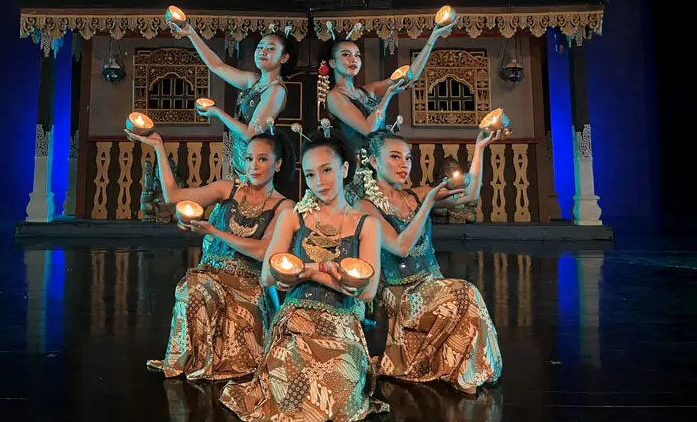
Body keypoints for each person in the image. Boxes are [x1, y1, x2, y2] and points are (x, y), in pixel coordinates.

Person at [219, 122, 389, 421]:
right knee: (293, 388)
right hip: (296, 319)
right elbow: (268, 276)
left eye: (326, 170)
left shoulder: (367, 224)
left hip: (342, 323)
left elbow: (369, 290)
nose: (319, 182)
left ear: (345, 169)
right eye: (310, 175)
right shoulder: (293, 217)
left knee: (338, 394)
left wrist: (307, 271)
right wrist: (319, 272)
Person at [124, 126, 296, 380]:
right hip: (211, 275)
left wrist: (214, 231)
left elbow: (263, 252)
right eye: (249, 159)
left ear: (278, 164)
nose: (254, 166)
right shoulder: (228, 189)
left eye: (263, 159)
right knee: (191, 286)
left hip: (248, 284)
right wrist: (159, 146)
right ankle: (193, 361)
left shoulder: (284, 206)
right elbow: (173, 195)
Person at [354, 126, 504, 394]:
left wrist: (479, 148)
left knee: (465, 296)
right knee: (466, 292)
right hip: (400, 295)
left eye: (408, 158)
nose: (404, 164)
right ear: (374, 162)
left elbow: (469, 194)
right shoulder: (365, 206)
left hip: (431, 285)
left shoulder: (417, 194)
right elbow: (401, 247)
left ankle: (467, 373)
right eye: (395, 157)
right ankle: (467, 375)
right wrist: (428, 204)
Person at [316, 20, 457, 204]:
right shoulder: (334, 97)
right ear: (332, 63)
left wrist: (433, 36)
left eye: (357, 55)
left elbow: (408, 77)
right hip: (358, 174)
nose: (354, 60)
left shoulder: (367, 91)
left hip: (380, 168)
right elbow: (369, 128)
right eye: (346, 55)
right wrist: (388, 95)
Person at [169, 21, 297, 181]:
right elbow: (217, 66)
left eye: (270, 48)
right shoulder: (253, 81)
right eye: (259, 47)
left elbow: (250, 133)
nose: (262, 52)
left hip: (255, 165)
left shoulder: (276, 90)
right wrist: (191, 33)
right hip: (238, 160)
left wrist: (217, 113)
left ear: (284, 57)